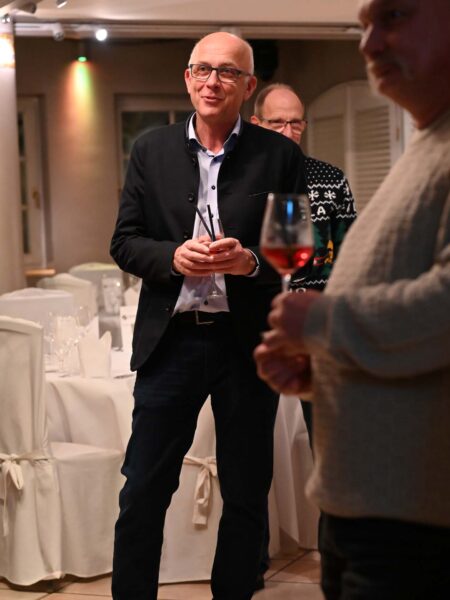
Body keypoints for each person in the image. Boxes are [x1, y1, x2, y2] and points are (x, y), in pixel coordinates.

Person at [254, 0, 450, 598]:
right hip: (368, 510)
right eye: (364, 25)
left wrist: (323, 322)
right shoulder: (427, 144)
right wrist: (326, 364)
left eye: (393, 16)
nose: (367, 44)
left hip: (416, 524)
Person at [110, 32, 306, 600]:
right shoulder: (150, 150)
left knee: (246, 492)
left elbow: (294, 250)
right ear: (187, 78)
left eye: (226, 71)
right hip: (170, 341)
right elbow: (124, 242)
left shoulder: (280, 156)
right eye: (201, 69)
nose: (211, 81)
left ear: (248, 85)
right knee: (143, 489)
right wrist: (171, 257)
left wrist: (250, 262)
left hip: (246, 344)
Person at [251, 83, 357, 442]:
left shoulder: (331, 179)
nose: (288, 132)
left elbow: (348, 254)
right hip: (254, 322)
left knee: (329, 435)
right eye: (277, 123)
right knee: (253, 437)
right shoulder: (239, 180)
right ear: (256, 124)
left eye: (295, 123)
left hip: (316, 325)